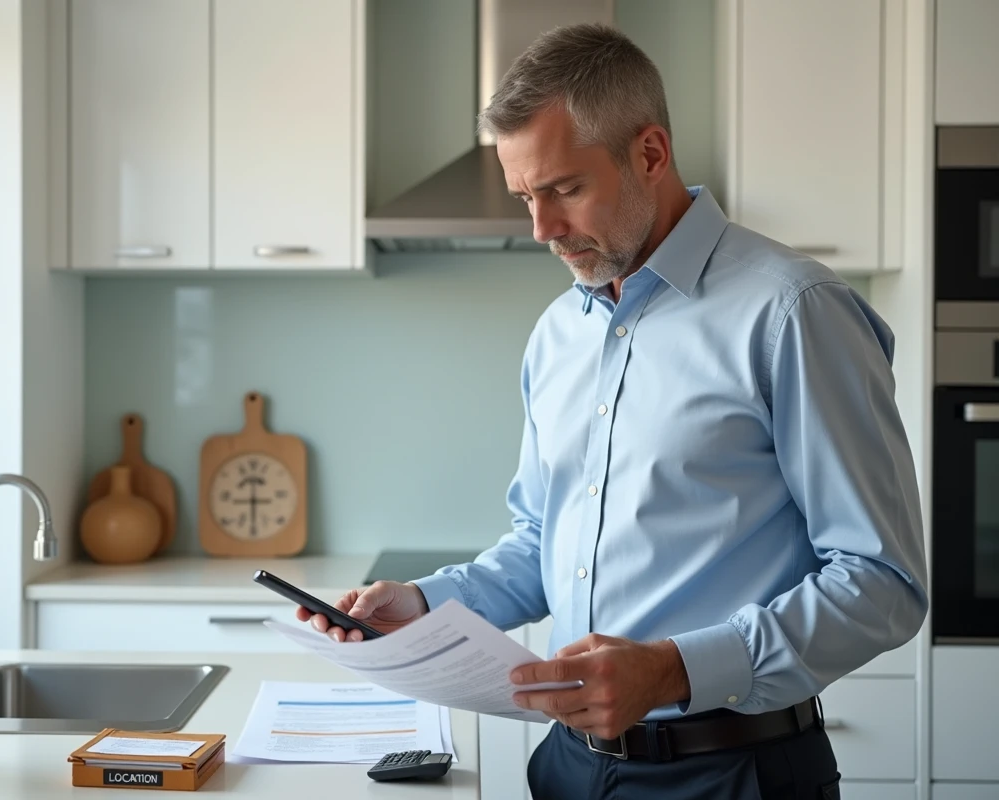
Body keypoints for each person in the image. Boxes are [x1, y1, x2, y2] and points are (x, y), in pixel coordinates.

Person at [298, 23, 927, 800]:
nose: (541, 230)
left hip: (733, 771)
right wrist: (424, 604)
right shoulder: (558, 333)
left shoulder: (793, 312)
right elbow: (542, 543)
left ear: (651, 153)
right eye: (525, 198)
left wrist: (672, 669)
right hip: (568, 766)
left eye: (564, 189)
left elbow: (882, 582)